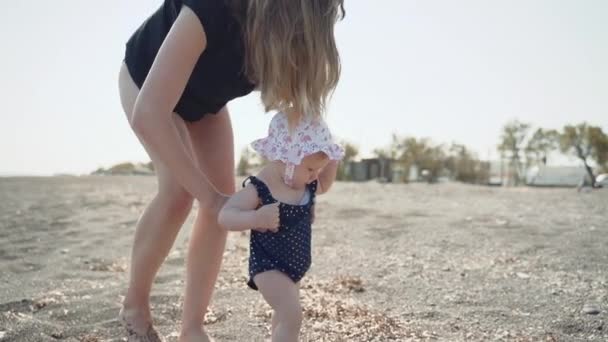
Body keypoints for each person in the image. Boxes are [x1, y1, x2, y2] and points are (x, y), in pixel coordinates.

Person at [116, 0, 345, 341]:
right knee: (181, 192)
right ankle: (134, 305)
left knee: (225, 196)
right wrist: (208, 197)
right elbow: (149, 113)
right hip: (147, 83)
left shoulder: (287, 44)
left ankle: (192, 327)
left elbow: (300, 123)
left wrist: (312, 169)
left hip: (206, 102)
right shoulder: (216, 7)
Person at [218, 111, 344, 341]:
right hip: (269, 266)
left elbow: (324, 185)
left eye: (317, 170)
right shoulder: (261, 188)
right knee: (292, 315)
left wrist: (331, 163)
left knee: (282, 318)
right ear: (288, 158)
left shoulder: (305, 185)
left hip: (293, 268)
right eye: (310, 169)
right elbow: (226, 215)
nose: (315, 176)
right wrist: (255, 219)